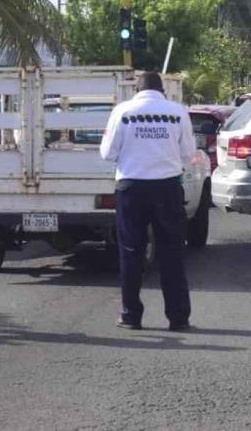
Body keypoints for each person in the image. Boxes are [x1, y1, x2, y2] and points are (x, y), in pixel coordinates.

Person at [100, 71, 196, 331]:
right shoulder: (177, 112)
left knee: (131, 252)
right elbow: (189, 153)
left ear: (136, 90)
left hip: (131, 187)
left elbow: (107, 153)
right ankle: (178, 317)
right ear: (161, 89)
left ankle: (131, 315)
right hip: (167, 188)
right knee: (172, 252)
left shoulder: (122, 112)